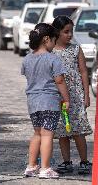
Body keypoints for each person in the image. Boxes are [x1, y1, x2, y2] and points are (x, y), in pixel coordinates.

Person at [21, 23, 70, 179]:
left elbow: (29, 77)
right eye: (54, 41)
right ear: (47, 39)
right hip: (49, 101)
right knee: (48, 134)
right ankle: (45, 168)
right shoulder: (53, 59)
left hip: (33, 102)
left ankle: (31, 166)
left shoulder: (27, 59)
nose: (55, 45)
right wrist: (66, 99)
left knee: (37, 134)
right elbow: (60, 81)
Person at [52, 16, 93, 174]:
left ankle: (84, 161)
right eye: (66, 32)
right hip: (57, 97)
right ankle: (66, 161)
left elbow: (83, 72)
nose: (70, 35)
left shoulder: (76, 49)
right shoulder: (50, 51)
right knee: (62, 131)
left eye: (71, 31)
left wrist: (86, 95)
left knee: (78, 130)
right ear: (57, 32)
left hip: (76, 97)